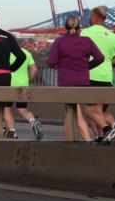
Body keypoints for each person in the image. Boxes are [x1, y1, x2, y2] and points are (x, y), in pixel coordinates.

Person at [47, 14, 109, 142]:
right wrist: (87, 67)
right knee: (71, 112)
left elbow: (51, 61)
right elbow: (100, 58)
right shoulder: (86, 41)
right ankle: (70, 142)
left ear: (65, 27)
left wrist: (60, 65)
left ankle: (88, 141)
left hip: (66, 82)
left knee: (74, 111)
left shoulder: (60, 42)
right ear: (80, 27)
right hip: (83, 80)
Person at [81, 6, 115, 143]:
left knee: (91, 111)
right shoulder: (112, 35)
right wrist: (110, 63)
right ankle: (106, 133)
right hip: (107, 78)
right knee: (99, 111)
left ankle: (109, 130)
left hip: (90, 76)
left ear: (93, 17)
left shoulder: (84, 33)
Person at [9, 47, 44, 140]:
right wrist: (28, 80)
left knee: (6, 108)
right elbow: (34, 69)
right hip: (23, 85)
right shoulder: (26, 52)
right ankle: (33, 121)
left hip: (8, 85)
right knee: (22, 109)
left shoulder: (5, 52)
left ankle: (12, 132)